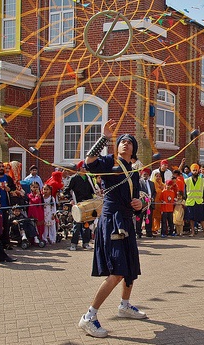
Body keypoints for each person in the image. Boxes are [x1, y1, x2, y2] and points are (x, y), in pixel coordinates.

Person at [78, 121, 147, 338]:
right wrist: (104, 138)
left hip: (126, 220)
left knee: (131, 268)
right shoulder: (109, 162)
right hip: (111, 221)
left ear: (134, 150)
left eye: (129, 142)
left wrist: (140, 204)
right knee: (117, 271)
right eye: (122, 141)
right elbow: (89, 161)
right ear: (117, 146)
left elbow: (139, 198)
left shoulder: (134, 173)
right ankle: (89, 317)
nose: (125, 144)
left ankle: (124, 305)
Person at [65, 161, 97, 250]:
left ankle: (86, 242)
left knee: (86, 224)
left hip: (87, 204)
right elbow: (66, 190)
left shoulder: (88, 178)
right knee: (77, 224)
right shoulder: (74, 178)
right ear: (79, 168)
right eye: (83, 167)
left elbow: (92, 191)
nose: (85, 169)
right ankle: (74, 243)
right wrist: (70, 199)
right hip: (77, 203)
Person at [184, 164, 204, 237]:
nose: (195, 172)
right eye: (193, 170)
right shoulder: (187, 180)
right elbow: (185, 192)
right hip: (190, 201)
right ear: (191, 171)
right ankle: (192, 232)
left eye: (196, 170)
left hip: (199, 201)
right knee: (191, 219)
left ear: (198, 171)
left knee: (202, 218)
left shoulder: (202, 180)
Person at [136, 168, 156, 238]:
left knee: (149, 218)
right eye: (144, 174)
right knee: (139, 218)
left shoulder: (152, 183)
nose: (146, 176)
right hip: (142, 203)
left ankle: (149, 232)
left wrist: (152, 198)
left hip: (149, 204)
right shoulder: (138, 183)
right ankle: (138, 233)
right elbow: (137, 192)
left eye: (147, 174)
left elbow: (154, 192)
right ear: (141, 174)